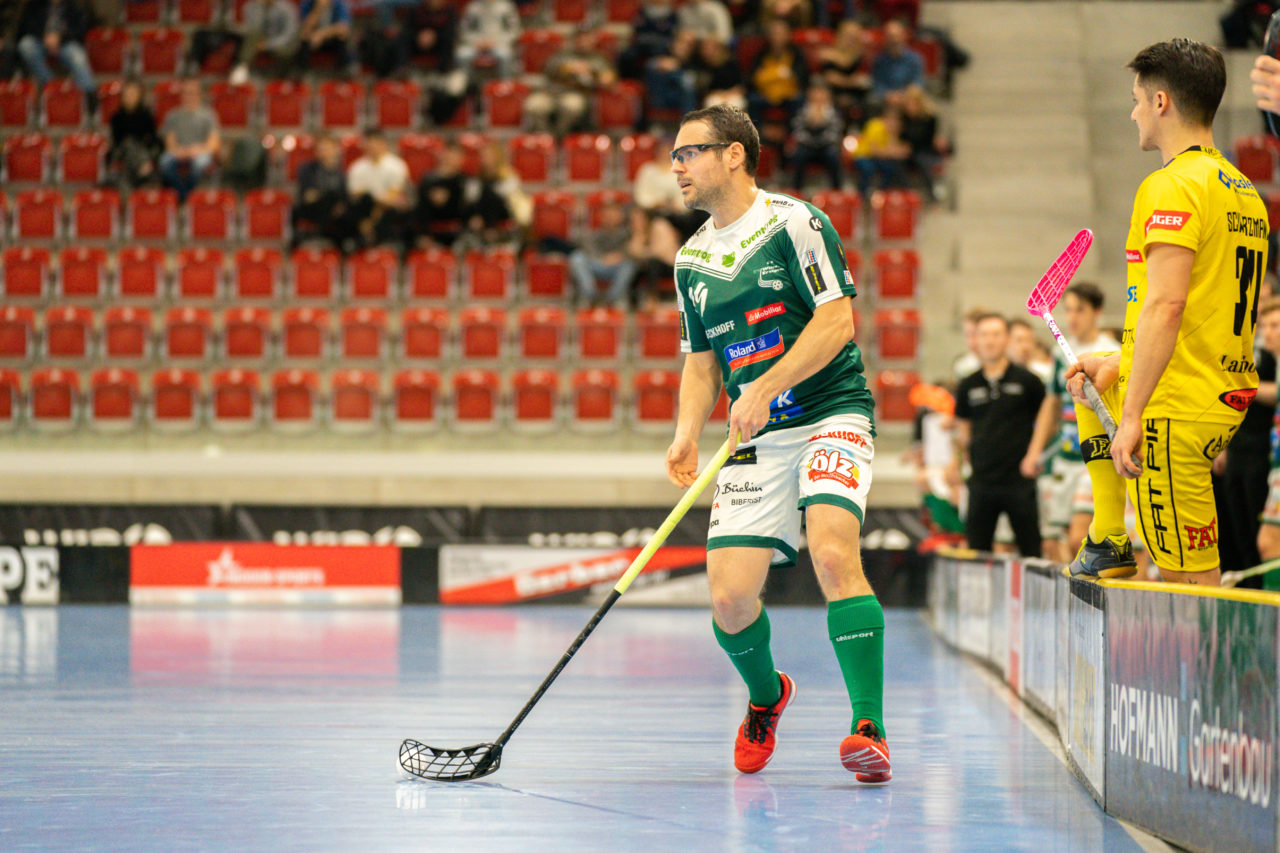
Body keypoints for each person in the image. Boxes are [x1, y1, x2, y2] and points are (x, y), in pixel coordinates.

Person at [665, 104, 890, 782]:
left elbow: (836, 322)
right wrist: (685, 432)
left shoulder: (796, 221)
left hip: (829, 410)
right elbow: (702, 363)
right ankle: (767, 695)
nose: (676, 165)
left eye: (689, 152)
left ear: (734, 154)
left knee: (830, 550)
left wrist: (766, 385)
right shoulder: (691, 259)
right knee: (730, 601)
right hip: (756, 435)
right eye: (673, 154)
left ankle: (868, 724)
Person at [1066, 39, 1268, 586]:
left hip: (1176, 405)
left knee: (1188, 590)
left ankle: (1206, 675)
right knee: (1091, 375)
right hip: (1217, 390)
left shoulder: (1171, 184)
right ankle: (1108, 537)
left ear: (1161, 102)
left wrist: (1131, 416)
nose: (1132, 112)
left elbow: (1168, 304)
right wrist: (1122, 368)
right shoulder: (1243, 189)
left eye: (1135, 99)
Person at [1027, 283, 1121, 563]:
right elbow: (1052, 403)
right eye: (1067, 310)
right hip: (1065, 455)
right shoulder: (1060, 353)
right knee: (1056, 542)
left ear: (1097, 312)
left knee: (1079, 535)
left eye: (1080, 309)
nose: (1073, 317)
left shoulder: (1112, 351)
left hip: (1094, 454)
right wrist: (1035, 451)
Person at [952, 314, 1047, 558]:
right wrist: (963, 462)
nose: (989, 341)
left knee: (1031, 552)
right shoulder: (967, 385)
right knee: (977, 553)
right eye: (983, 335)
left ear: (1006, 339)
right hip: (982, 482)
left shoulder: (1029, 381)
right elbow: (963, 429)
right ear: (976, 340)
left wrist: (1034, 455)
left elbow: (1048, 421)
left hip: (1019, 480)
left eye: (996, 334)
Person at [528, 30, 617, 136]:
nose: (584, 42)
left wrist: (594, 72)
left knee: (571, 107)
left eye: (587, 39)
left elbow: (608, 78)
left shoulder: (598, 58)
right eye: (581, 39)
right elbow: (547, 69)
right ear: (575, 40)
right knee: (534, 105)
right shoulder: (562, 54)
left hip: (576, 93)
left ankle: (559, 136)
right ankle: (545, 136)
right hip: (550, 92)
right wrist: (568, 67)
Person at [17, 0, 97, 115]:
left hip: (66, 43)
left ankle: (89, 94)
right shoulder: (34, 4)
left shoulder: (74, 6)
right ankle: (51, 83)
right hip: (40, 41)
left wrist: (60, 38)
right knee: (25, 45)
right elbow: (26, 26)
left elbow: (81, 30)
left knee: (78, 57)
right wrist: (45, 37)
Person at [346, 128, 412, 250]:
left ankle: (375, 241)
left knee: (397, 209)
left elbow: (393, 196)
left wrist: (372, 221)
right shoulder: (357, 167)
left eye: (375, 142)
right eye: (369, 142)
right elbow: (357, 197)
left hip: (387, 210)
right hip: (364, 210)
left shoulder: (397, 165)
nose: (372, 146)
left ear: (383, 143)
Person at [1252, 300, 1280, 589]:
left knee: (1269, 543)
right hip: (1275, 465)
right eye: (1265, 326)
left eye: (1275, 326)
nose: (1268, 333)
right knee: (1267, 543)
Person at [159, 78, 221, 203]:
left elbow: (213, 144)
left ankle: (187, 197)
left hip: (200, 152)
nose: (189, 96)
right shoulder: (172, 115)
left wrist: (196, 150)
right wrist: (181, 151)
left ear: (199, 94)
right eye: (186, 93)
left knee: (200, 163)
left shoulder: (209, 115)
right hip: (179, 151)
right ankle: (184, 196)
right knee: (164, 162)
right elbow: (169, 143)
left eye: (192, 93)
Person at [569, 200, 637, 308]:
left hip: (617, 266)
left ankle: (613, 298)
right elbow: (579, 241)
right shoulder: (595, 234)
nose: (610, 217)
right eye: (607, 214)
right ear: (602, 216)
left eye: (614, 214)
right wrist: (579, 220)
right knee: (577, 257)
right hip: (597, 264)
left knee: (630, 263)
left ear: (621, 216)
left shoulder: (628, 234)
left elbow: (634, 249)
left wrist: (620, 256)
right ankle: (590, 296)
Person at [292, 134, 348, 249]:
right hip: (313, 210)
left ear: (336, 149)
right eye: (321, 149)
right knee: (330, 197)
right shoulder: (307, 169)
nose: (324, 152)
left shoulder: (341, 173)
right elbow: (307, 196)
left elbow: (344, 196)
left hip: (335, 214)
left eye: (327, 148)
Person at [226, 0, 300, 85]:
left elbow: (289, 34)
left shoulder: (287, 8)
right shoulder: (251, 6)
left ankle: (278, 77)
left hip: (280, 40)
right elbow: (253, 27)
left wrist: (269, 44)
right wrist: (260, 9)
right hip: (261, 37)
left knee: (289, 48)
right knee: (252, 36)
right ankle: (242, 67)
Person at [789, 84, 842, 191]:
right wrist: (811, 125)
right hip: (806, 145)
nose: (818, 96)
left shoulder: (833, 112)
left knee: (833, 156)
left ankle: (837, 191)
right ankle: (796, 191)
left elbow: (836, 132)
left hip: (826, 146)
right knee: (799, 156)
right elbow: (797, 130)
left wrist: (820, 138)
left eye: (821, 93)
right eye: (816, 92)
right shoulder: (803, 110)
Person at [108, 78, 160, 188]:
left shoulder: (146, 116)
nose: (129, 97)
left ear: (139, 96)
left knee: (134, 148)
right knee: (129, 142)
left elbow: (153, 138)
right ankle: (144, 171)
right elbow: (117, 141)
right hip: (123, 151)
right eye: (127, 94)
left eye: (133, 94)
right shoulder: (117, 118)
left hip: (143, 151)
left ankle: (136, 175)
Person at [819, 19, 872, 125]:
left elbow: (863, 81)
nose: (850, 40)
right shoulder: (828, 56)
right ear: (840, 36)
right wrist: (850, 81)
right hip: (832, 97)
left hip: (856, 99)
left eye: (854, 37)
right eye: (847, 36)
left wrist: (842, 80)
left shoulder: (862, 57)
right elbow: (829, 78)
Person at [413, 144, 466, 247]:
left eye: (457, 156)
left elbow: (464, 206)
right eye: (451, 155)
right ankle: (424, 237)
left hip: (456, 226)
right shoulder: (428, 179)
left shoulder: (463, 180)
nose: (453, 159)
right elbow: (420, 207)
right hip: (431, 224)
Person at [852, 107, 910, 198]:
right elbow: (875, 151)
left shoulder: (893, 130)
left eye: (896, 121)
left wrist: (893, 136)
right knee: (868, 169)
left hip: (878, 159)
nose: (893, 123)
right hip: (863, 156)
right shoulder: (875, 126)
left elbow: (902, 151)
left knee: (891, 169)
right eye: (891, 119)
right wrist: (894, 152)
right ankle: (861, 197)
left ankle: (881, 195)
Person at [455, 0, 519, 78]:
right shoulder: (473, 7)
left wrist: (497, 42)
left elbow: (514, 30)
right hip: (476, 44)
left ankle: (504, 85)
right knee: (462, 54)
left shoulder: (506, 7)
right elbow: (464, 30)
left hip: (499, 43)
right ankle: (467, 86)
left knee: (505, 55)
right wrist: (476, 41)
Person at [870, 19, 925, 102]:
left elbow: (918, 81)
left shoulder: (915, 59)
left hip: (908, 100)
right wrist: (888, 95)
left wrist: (906, 95)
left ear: (904, 36)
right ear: (886, 38)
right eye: (890, 36)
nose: (894, 40)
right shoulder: (879, 61)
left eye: (896, 36)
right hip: (886, 100)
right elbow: (877, 84)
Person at [297, 0, 357, 75]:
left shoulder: (339, 4)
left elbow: (344, 28)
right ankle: (302, 73)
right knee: (303, 41)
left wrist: (321, 34)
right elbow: (304, 31)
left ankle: (346, 73)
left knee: (342, 39)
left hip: (332, 39)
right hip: (313, 41)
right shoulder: (307, 4)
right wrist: (318, 10)